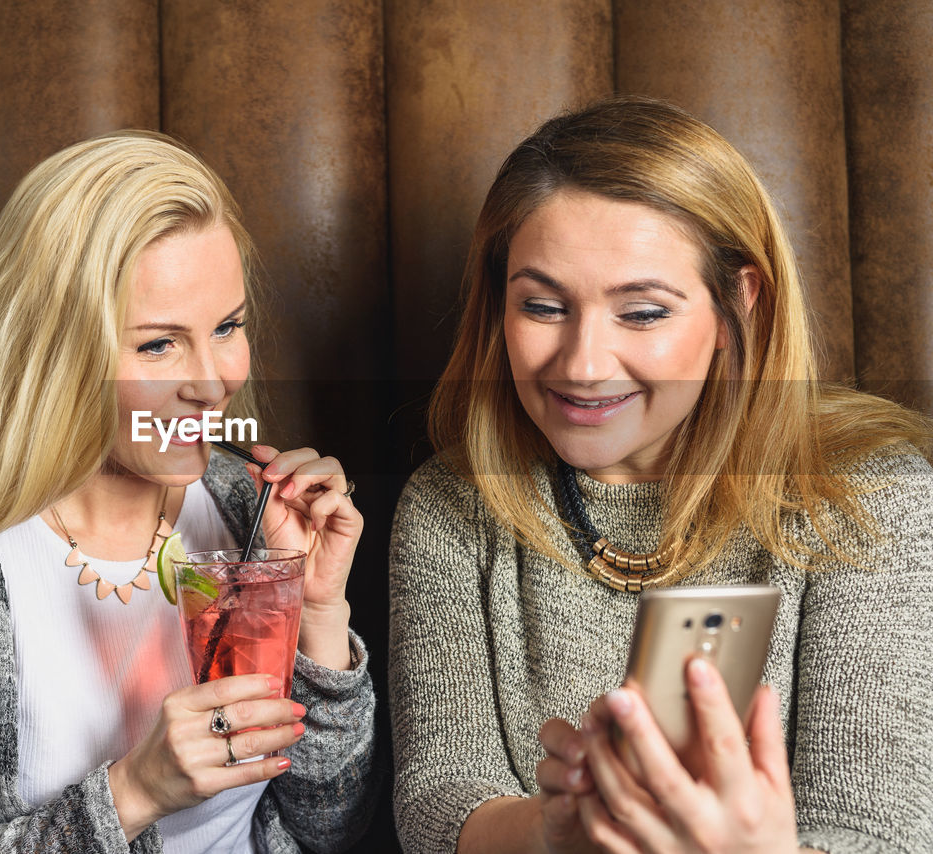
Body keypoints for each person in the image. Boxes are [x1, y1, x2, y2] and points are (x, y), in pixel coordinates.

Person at [389, 96, 933, 854]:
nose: (581, 366)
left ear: (737, 304)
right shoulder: (452, 504)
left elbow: (884, 835)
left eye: (642, 314)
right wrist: (563, 829)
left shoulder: (869, 494)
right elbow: (436, 803)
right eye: (542, 306)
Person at [0, 131, 378, 852]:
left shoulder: (252, 511)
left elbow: (327, 825)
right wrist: (136, 790)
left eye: (228, 326)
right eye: (157, 344)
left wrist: (321, 610)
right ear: (53, 353)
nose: (213, 384)